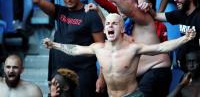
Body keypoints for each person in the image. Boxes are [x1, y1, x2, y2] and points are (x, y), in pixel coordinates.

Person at [43, 13, 196, 97]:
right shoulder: (98, 48)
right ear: (104, 30)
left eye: (115, 23)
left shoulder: (133, 48)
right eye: (108, 24)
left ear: (122, 29)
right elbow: (76, 49)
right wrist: (55, 45)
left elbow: (162, 47)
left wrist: (185, 38)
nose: (110, 26)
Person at [79, 0, 172, 95]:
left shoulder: (143, 18)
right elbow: (110, 39)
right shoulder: (122, 22)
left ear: (135, 5)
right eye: (118, 2)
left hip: (155, 70)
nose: (118, 4)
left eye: (122, 2)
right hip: (138, 73)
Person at [33, 0, 105, 96]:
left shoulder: (90, 15)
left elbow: (102, 49)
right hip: (60, 69)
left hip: (84, 72)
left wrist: (101, 77)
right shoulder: (59, 11)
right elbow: (37, 0)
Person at [149, 0, 200, 66]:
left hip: (196, 64)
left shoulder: (198, 16)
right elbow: (155, 16)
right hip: (185, 62)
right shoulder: (180, 13)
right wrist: (147, 8)